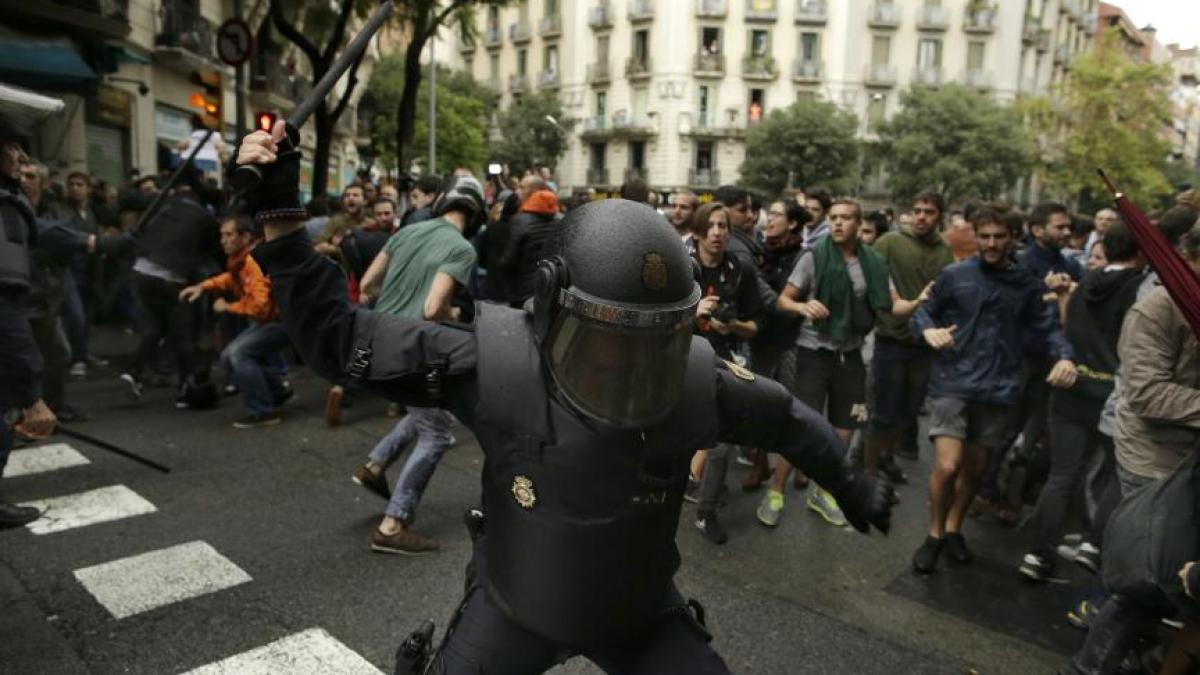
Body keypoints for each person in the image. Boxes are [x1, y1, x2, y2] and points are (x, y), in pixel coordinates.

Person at [236, 122, 892, 673]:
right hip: (516, 605)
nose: (632, 367)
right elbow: (340, 338)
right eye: (611, 342)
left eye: (653, 343)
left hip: (637, 614)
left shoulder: (698, 382)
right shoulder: (492, 363)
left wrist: (852, 486)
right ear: (552, 309)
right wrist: (281, 220)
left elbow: (790, 421)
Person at [910, 207, 1076, 575]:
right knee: (947, 466)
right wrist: (926, 330)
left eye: (999, 236)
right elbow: (923, 312)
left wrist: (1065, 357)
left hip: (999, 388)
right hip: (953, 381)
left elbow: (1048, 329)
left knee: (975, 470)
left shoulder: (1027, 284)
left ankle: (954, 528)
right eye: (984, 236)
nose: (991, 243)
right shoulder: (955, 274)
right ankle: (934, 534)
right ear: (976, 236)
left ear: (1013, 238)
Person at [351, 175, 482, 554]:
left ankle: (375, 466)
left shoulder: (408, 231)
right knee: (438, 433)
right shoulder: (462, 249)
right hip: (414, 349)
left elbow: (369, 283)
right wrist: (453, 313)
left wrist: (395, 299)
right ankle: (393, 524)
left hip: (377, 338)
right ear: (474, 216)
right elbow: (431, 308)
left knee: (428, 410)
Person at [765, 199, 891, 528]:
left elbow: (894, 304)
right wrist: (803, 308)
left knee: (844, 431)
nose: (837, 224)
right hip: (813, 352)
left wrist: (921, 305)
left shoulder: (873, 263)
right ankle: (775, 490)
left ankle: (823, 492)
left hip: (850, 355)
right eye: (833, 218)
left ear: (858, 223)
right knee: (802, 426)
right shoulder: (813, 256)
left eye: (845, 218)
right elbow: (783, 300)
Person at [861, 191, 954, 478]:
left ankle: (887, 457)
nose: (921, 216)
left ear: (940, 216)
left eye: (929, 212)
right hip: (891, 338)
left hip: (924, 343)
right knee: (883, 410)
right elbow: (870, 272)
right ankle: (868, 471)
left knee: (910, 410)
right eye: (917, 210)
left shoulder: (944, 250)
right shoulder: (891, 241)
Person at [687, 202, 762, 544]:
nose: (717, 232)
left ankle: (705, 512)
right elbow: (654, 319)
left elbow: (754, 326)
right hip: (680, 362)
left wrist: (733, 324)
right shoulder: (681, 265)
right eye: (711, 226)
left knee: (720, 445)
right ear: (699, 231)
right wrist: (692, 311)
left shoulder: (739, 269)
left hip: (721, 362)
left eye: (723, 226)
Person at [179, 214, 292, 428]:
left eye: (229, 235)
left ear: (246, 236)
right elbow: (231, 279)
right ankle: (277, 390)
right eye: (222, 235)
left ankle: (262, 411)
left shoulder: (253, 262)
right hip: (270, 320)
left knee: (238, 354)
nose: (223, 240)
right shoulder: (242, 260)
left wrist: (229, 307)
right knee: (228, 357)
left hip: (282, 321)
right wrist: (204, 286)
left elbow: (260, 306)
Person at [499, 186, 559, 308]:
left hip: (521, 288)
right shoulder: (558, 222)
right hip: (548, 286)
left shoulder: (519, 220)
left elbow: (509, 259)